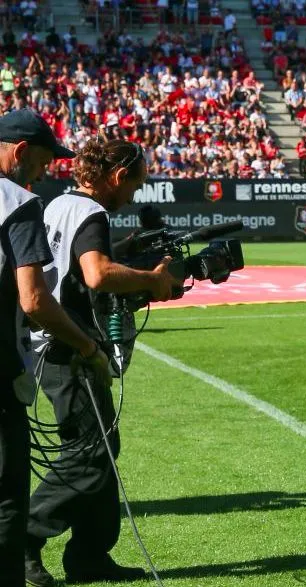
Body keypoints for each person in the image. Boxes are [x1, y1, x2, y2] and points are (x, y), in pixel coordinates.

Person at [25, 139, 178, 586]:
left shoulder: (59, 204)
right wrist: (151, 279)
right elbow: (95, 273)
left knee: (102, 449)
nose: (133, 195)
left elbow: (73, 265)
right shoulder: (92, 212)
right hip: (69, 347)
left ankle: (90, 554)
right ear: (116, 176)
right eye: (134, 184)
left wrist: (126, 248)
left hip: (53, 342)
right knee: (89, 453)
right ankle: (22, 538)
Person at [0, 109, 110, 587]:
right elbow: (35, 299)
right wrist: (88, 347)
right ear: (21, 151)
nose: (45, 173)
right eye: (43, 162)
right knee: (8, 501)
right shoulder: (17, 201)